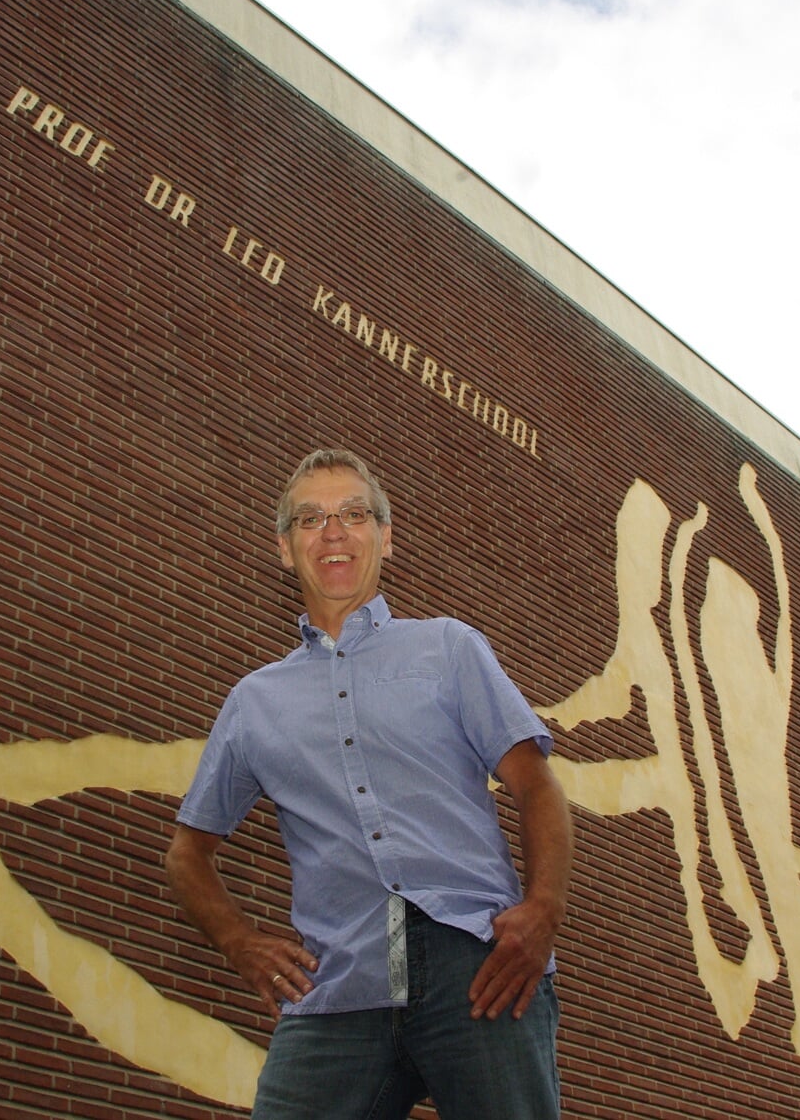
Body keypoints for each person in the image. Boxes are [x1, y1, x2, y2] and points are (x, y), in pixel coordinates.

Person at [165, 448, 572, 1119]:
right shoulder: (253, 701)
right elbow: (187, 853)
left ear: (385, 536)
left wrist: (544, 908)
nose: (333, 531)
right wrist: (239, 941)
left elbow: (537, 785)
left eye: (354, 513)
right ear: (284, 549)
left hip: (477, 966)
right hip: (336, 986)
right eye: (310, 518)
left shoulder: (449, 648)